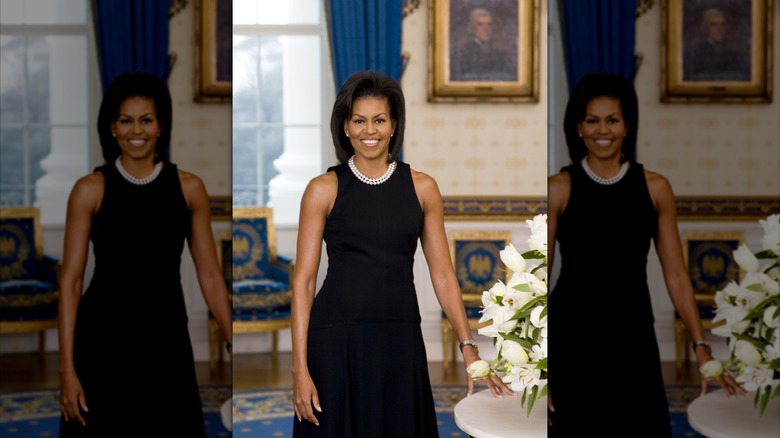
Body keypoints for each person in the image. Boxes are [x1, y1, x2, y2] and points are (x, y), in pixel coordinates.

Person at [290, 70, 514, 436]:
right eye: (359, 120)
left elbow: (443, 275)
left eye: (379, 120)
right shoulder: (323, 189)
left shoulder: (423, 188)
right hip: (336, 340)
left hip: (400, 338)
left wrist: (469, 347)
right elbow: (304, 281)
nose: (369, 131)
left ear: (394, 125)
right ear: (345, 126)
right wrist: (300, 368)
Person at [546, 71, 746, 436]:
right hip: (573, 333)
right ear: (578, 127)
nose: (602, 130)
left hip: (633, 332)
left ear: (627, 127)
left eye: (612, 120)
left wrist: (701, 345)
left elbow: (676, 275)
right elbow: (540, 276)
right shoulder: (560, 188)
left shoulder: (656, 188)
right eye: (592, 120)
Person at [57, 71, 233, 437]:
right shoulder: (89, 190)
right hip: (102, 341)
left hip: (166, 340)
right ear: (112, 128)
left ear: (160, 127)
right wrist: (66, 369)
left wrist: (234, 337)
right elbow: (71, 282)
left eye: (146, 120)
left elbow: (211, 276)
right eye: (126, 120)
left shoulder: (189, 189)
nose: (136, 130)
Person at [450, 8, 517, 82]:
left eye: (489, 24)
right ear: (472, 28)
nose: (486, 29)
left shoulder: (500, 54)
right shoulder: (462, 54)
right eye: (480, 24)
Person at [683, 8, 750, 81]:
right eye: (713, 25)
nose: (719, 29)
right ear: (706, 28)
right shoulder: (695, 54)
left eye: (722, 24)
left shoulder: (734, 55)